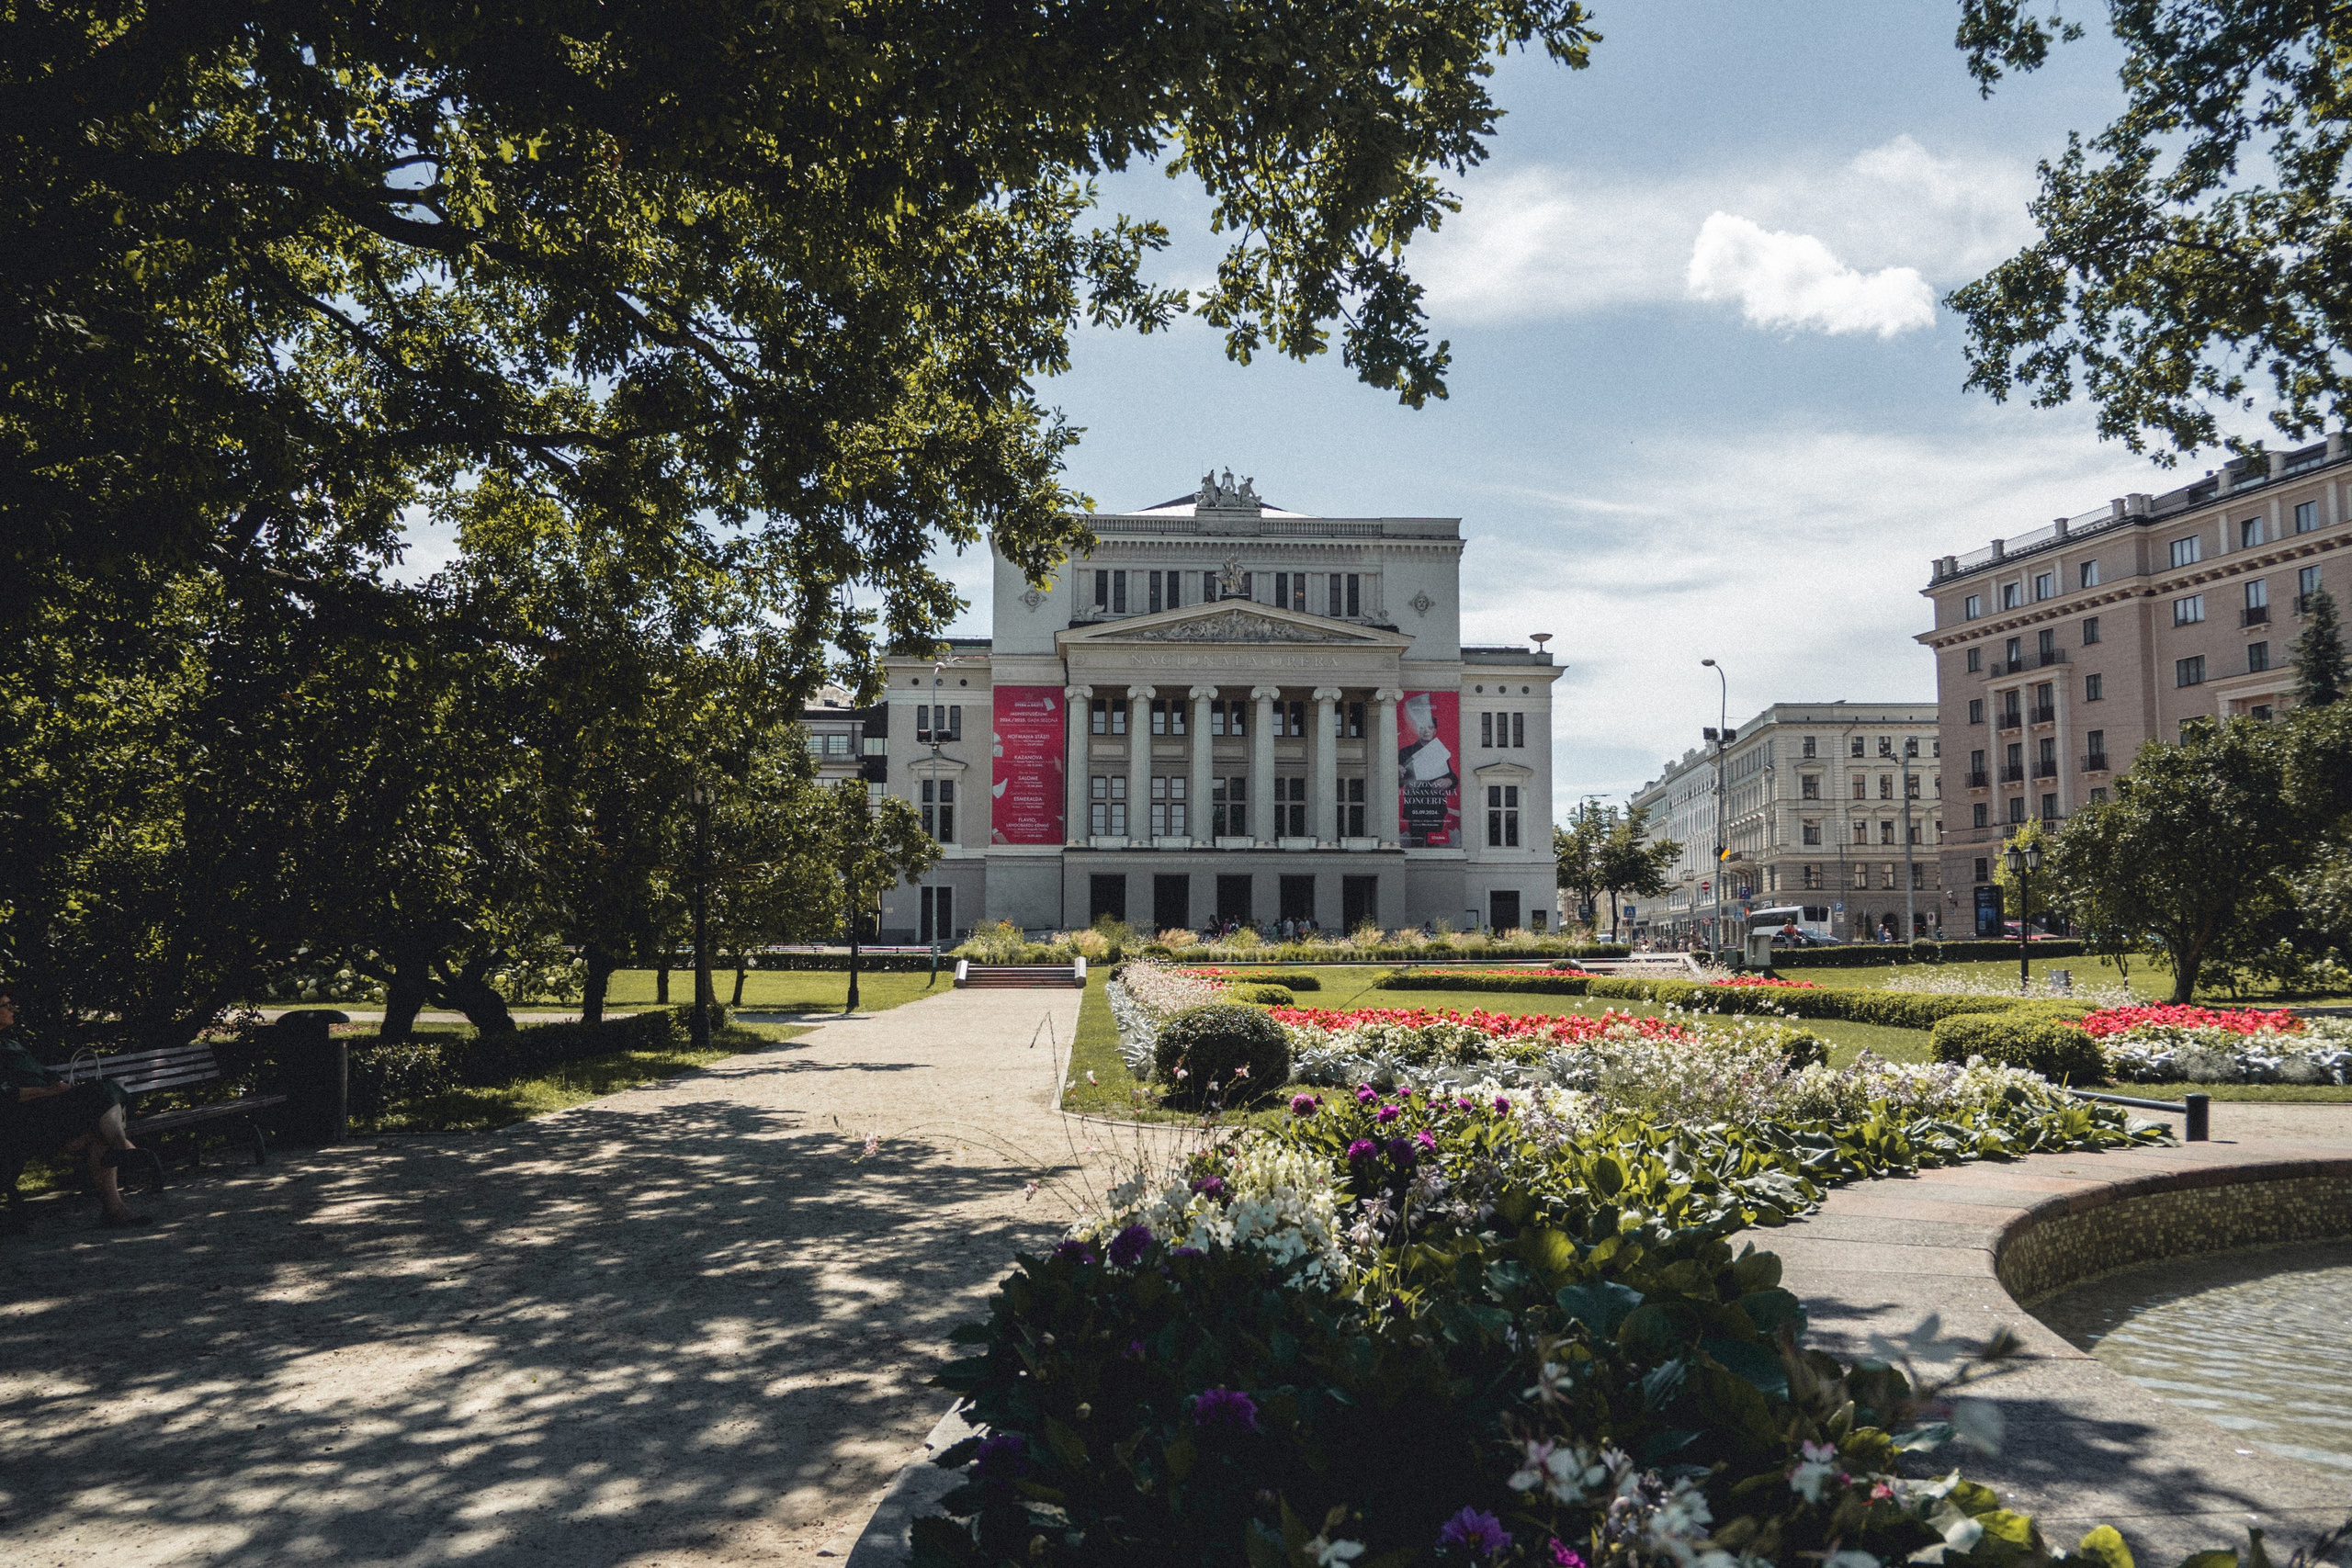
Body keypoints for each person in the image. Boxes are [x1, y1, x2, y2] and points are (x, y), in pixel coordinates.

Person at [0, 986, 150, 1227]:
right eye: (6, 1005)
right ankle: (124, 1149)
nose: (13, 1009)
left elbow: (42, 1072)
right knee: (100, 1093)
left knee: (101, 1115)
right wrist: (48, 1091)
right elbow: (5, 1094)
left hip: (50, 1111)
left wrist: (57, 1083)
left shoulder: (10, 1043)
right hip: (22, 1122)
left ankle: (115, 1209)